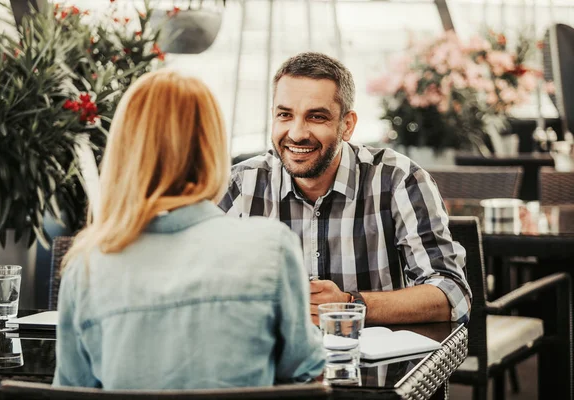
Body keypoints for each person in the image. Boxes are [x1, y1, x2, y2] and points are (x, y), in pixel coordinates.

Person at [53, 69, 325, 389]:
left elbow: (73, 390)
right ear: (212, 147)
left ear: (123, 149)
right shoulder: (272, 248)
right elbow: (305, 370)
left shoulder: (86, 266)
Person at [219, 52, 472, 326]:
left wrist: (349, 304)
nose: (296, 133)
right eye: (285, 115)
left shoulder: (398, 179)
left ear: (347, 125)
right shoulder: (240, 186)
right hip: (270, 365)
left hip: (371, 367)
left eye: (316, 117)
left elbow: (451, 295)